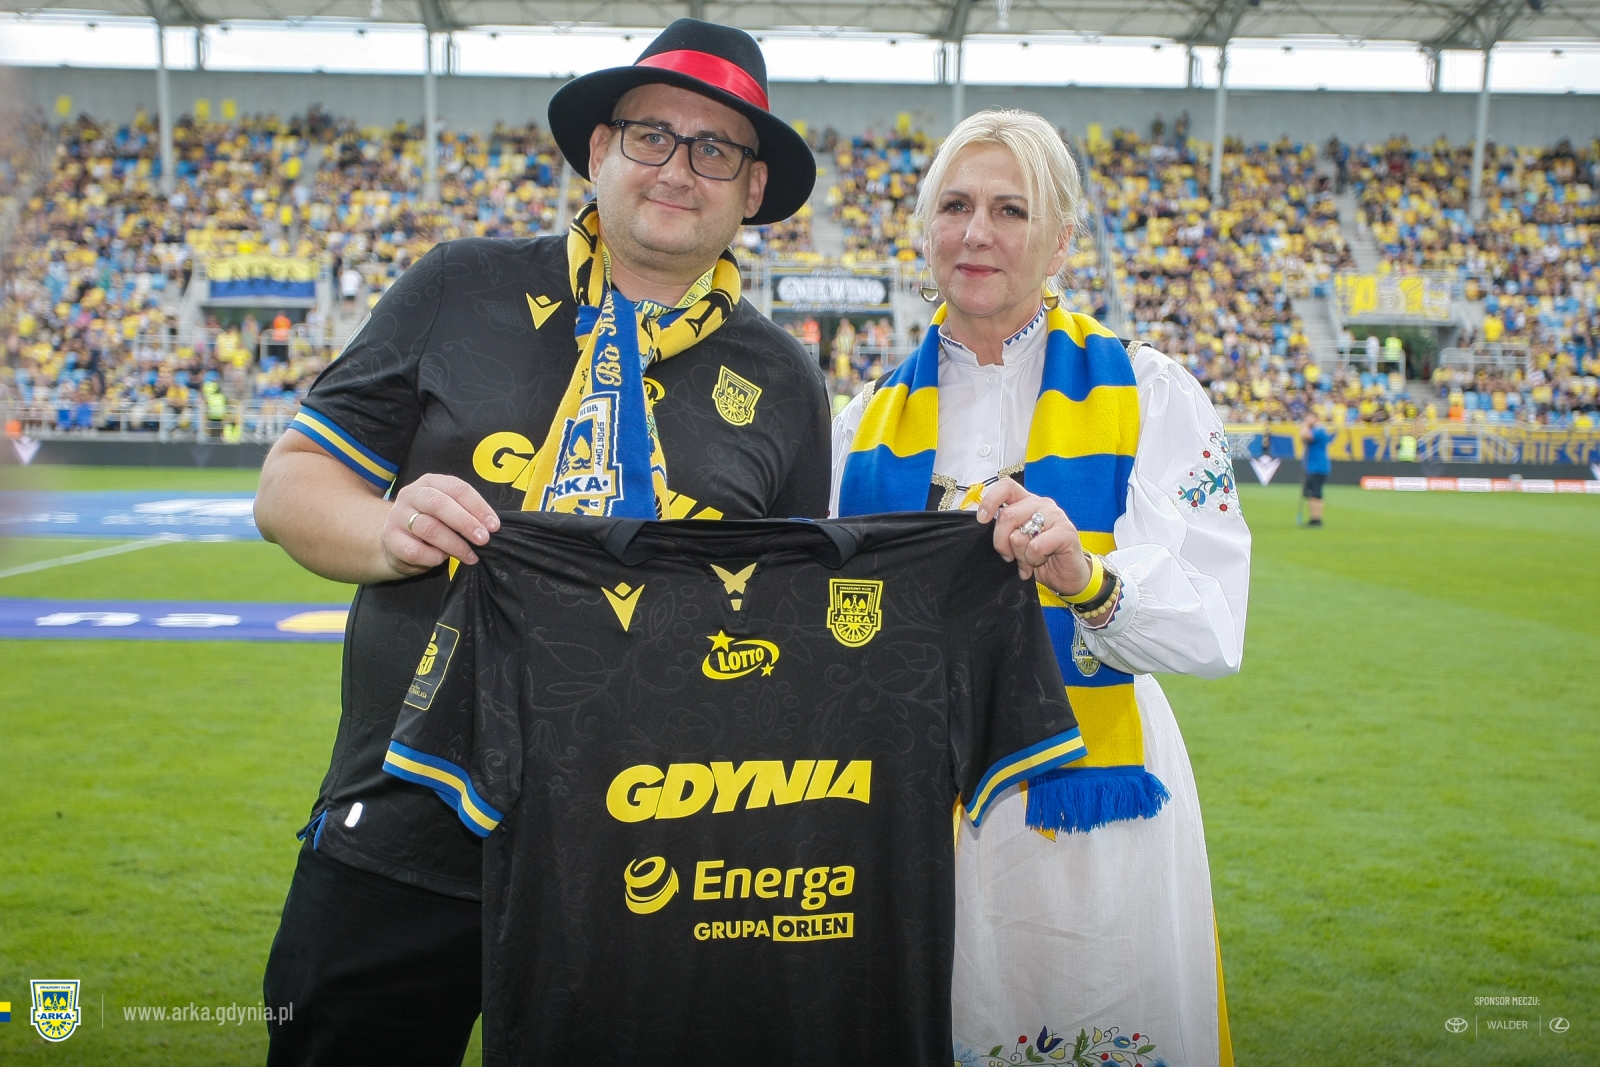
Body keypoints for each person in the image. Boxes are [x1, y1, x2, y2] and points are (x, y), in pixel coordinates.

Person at [254, 19, 827, 1066]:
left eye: (715, 149)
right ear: (599, 150)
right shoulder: (456, 284)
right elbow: (290, 484)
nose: (677, 167)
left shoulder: (786, 380)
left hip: (643, 861)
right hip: (397, 829)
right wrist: (388, 526)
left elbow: (787, 629)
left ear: (752, 189)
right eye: (651, 135)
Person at [830, 109, 1249, 1067]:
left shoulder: (1150, 392)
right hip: (916, 807)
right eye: (955, 206)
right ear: (924, 230)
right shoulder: (859, 426)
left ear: (1061, 241)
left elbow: (1214, 626)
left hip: (1094, 807)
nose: (976, 232)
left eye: (1011, 209)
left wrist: (1087, 579)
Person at [1301, 409, 1331, 526]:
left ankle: (1317, 519)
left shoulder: (1319, 430)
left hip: (1318, 467)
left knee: (1316, 493)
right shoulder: (1314, 430)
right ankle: (1314, 518)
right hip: (1312, 466)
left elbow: (1305, 436)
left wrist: (1306, 425)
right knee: (1311, 493)